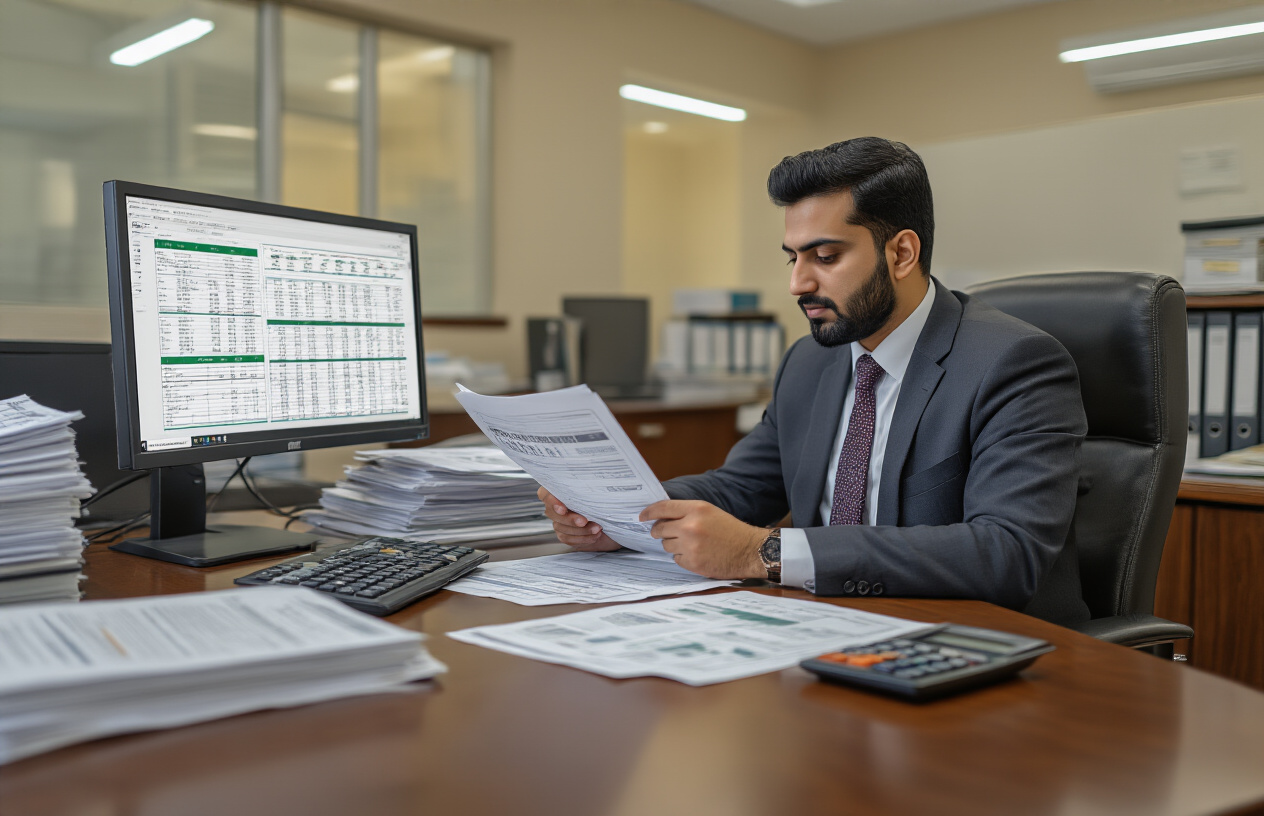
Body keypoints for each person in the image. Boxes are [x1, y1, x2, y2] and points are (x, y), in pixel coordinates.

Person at [538, 137, 1090, 627]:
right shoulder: (810, 360)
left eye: (825, 256)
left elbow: (1007, 552)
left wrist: (765, 553)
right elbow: (743, 489)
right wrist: (619, 516)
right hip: (826, 627)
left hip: (977, 645)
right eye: (793, 258)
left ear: (901, 252)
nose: (799, 283)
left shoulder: (1015, 363)